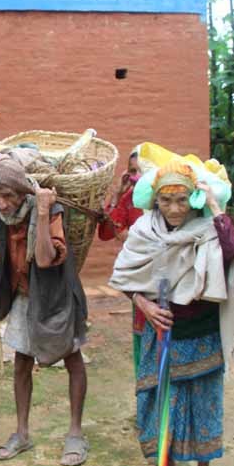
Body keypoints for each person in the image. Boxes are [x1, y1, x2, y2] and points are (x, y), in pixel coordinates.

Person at [109, 159, 234, 466]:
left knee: (203, 400)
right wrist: (143, 305)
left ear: (195, 199)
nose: (174, 208)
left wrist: (215, 207)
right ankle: (165, 461)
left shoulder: (209, 228)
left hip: (201, 328)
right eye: (165, 200)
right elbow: (127, 276)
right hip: (158, 329)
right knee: (158, 397)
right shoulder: (145, 230)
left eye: (182, 199)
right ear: (154, 200)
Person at [0, 157, 90, 466]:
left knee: (72, 358)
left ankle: (75, 433)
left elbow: (46, 258)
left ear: (23, 192)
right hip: (24, 296)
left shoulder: (50, 209)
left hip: (56, 295)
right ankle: (22, 433)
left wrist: (42, 210)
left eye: (8, 195)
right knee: (22, 362)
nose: (2, 203)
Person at [98, 149, 146, 380]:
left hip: (165, 281)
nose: (136, 177)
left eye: (141, 172)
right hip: (138, 280)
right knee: (142, 332)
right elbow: (106, 232)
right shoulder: (130, 198)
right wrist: (117, 194)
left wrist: (129, 236)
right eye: (133, 171)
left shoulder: (168, 202)